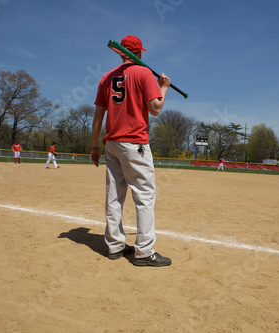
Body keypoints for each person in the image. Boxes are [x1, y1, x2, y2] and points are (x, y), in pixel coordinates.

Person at [90, 35, 172, 267]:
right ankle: (144, 252)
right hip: (135, 142)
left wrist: (95, 145)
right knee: (144, 196)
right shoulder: (144, 72)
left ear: (120, 52)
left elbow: (98, 115)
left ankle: (115, 246)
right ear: (139, 53)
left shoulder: (106, 77)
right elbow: (155, 108)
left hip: (112, 143)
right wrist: (163, 88)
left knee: (114, 195)